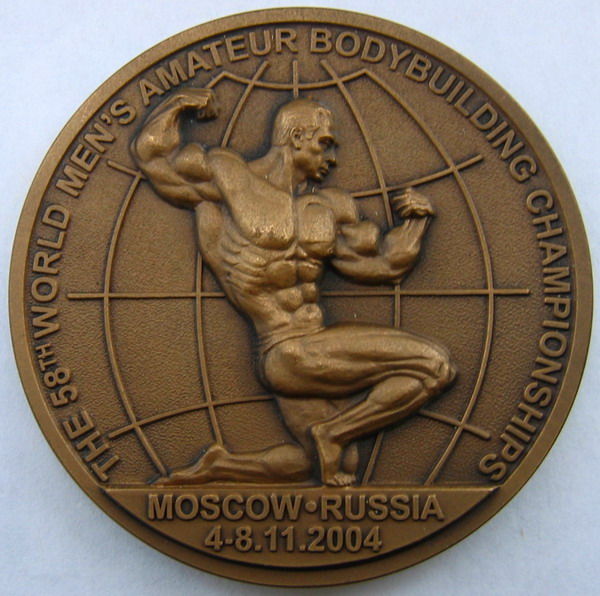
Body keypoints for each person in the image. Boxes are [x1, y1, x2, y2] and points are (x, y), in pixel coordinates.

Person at [130, 89, 456, 486]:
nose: (332, 158)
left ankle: (219, 467)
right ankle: (333, 434)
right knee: (434, 366)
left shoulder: (328, 208)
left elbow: (385, 264)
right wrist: (182, 102)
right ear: (297, 137)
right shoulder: (229, 178)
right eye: (325, 143)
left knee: (324, 464)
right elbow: (154, 157)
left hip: (309, 352)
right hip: (283, 346)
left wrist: (418, 222)